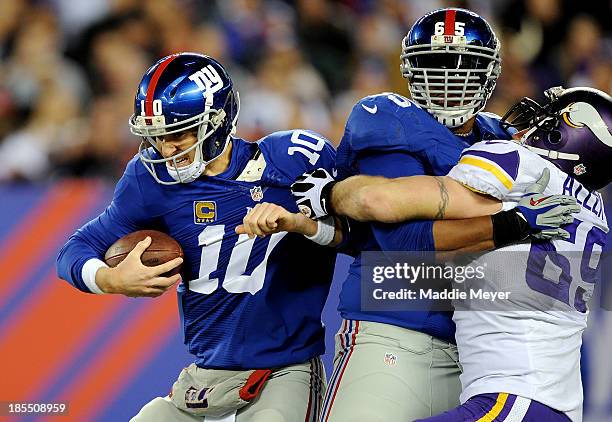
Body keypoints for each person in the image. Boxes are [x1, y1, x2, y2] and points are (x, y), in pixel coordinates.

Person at [245, 8, 578, 422]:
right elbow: (403, 243)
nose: (450, 78)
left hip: (482, 355)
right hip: (395, 334)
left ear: (491, 73)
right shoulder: (388, 118)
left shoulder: (499, 136)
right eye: (435, 65)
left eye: (466, 66)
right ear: (408, 70)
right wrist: (510, 219)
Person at [290, 86, 612, 421]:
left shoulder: (519, 166)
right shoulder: (594, 212)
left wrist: (329, 193)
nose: (532, 123)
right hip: (546, 401)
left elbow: (380, 202)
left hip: (514, 398)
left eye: (547, 120)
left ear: (563, 136)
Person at [56, 52, 339, 422]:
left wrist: (303, 224)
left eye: (176, 133)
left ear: (217, 123)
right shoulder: (150, 179)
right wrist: (109, 278)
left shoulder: (292, 160)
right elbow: (73, 250)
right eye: (156, 136)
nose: (165, 149)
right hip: (203, 379)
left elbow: (356, 232)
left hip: (283, 371)